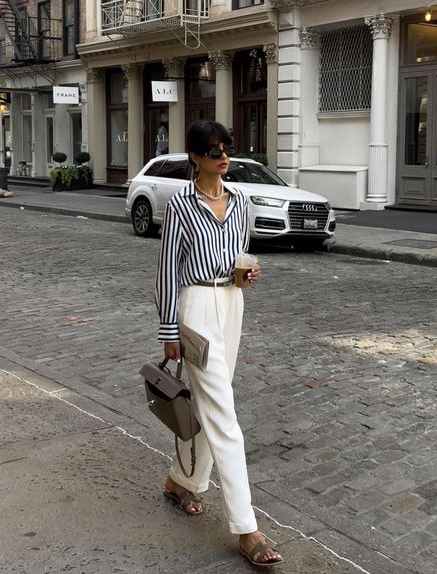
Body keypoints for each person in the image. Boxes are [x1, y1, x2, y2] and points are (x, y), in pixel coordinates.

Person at [155, 120, 283, 567]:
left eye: (226, 147)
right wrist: (169, 330)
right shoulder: (180, 206)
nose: (222, 156)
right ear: (195, 157)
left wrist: (244, 276)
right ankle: (247, 529)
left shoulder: (241, 200)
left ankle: (180, 481)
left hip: (231, 305)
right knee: (225, 415)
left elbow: (237, 258)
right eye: (212, 150)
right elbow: (169, 271)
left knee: (213, 404)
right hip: (197, 309)